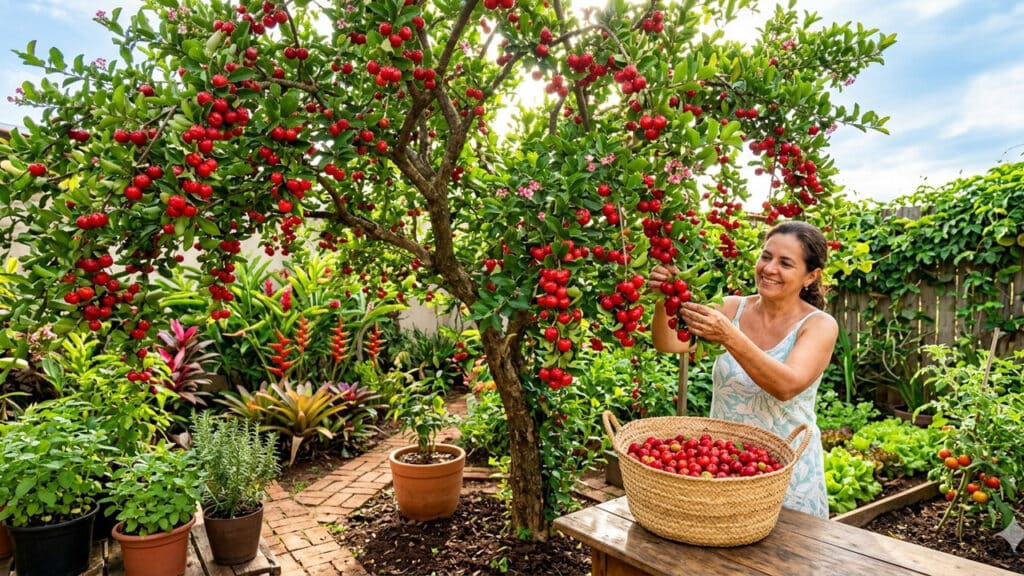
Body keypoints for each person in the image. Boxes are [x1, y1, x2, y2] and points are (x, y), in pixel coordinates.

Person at [649, 220, 838, 518]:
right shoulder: (730, 308)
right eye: (766, 256)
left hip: (787, 476)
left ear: (810, 276)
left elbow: (786, 385)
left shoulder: (819, 325)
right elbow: (669, 343)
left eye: (785, 263)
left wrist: (729, 335)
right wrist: (665, 296)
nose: (769, 268)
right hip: (724, 468)